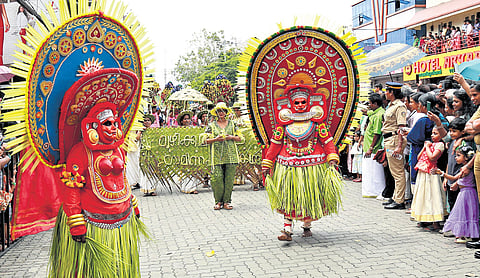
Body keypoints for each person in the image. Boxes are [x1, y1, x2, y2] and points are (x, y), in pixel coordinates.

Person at [261, 84, 342, 241]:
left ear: (309, 103)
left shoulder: (318, 124)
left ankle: (306, 224)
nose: (299, 106)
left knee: (308, 196)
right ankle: (286, 229)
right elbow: (275, 144)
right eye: (296, 103)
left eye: (302, 102)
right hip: (288, 166)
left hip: (312, 166)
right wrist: (267, 163)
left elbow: (327, 141)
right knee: (288, 196)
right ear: (291, 104)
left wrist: (332, 156)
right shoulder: (283, 125)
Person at [436, 145, 479, 243]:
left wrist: (442, 173)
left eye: (458, 155)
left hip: (467, 194)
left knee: (466, 213)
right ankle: (464, 233)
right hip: (465, 193)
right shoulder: (466, 168)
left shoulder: (465, 170)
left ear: (466, 157)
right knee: (465, 213)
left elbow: (454, 178)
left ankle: (468, 235)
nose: (456, 158)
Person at [204, 102, 242, 210]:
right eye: (218, 111)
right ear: (216, 113)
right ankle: (218, 201)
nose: (221, 113)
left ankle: (227, 201)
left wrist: (231, 137)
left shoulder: (232, 124)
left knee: (229, 180)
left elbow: (240, 138)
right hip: (216, 157)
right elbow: (205, 140)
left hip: (231, 156)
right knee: (217, 179)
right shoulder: (211, 125)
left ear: (226, 112)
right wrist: (216, 139)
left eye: (223, 111)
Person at [410, 127, 446, 232]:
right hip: (422, 173)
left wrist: (427, 147)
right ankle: (423, 218)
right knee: (423, 195)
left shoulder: (440, 145)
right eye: (432, 133)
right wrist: (425, 147)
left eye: (435, 133)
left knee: (433, 195)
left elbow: (432, 158)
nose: (432, 135)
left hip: (432, 173)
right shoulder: (429, 144)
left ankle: (435, 221)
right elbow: (418, 157)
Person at [382, 82, 408, 209]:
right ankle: (395, 197)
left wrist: (398, 146)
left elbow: (401, 127)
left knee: (398, 172)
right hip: (389, 139)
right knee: (394, 171)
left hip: (394, 140)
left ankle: (399, 200)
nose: (385, 93)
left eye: (387, 91)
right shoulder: (391, 105)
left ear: (392, 92)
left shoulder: (400, 106)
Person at [362, 93, 386, 198]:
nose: (369, 105)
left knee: (376, 172)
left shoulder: (379, 115)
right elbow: (369, 112)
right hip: (368, 147)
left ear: (376, 104)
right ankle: (370, 191)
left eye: (370, 103)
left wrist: (371, 148)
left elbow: (377, 133)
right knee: (369, 171)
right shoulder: (375, 113)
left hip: (374, 149)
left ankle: (377, 191)